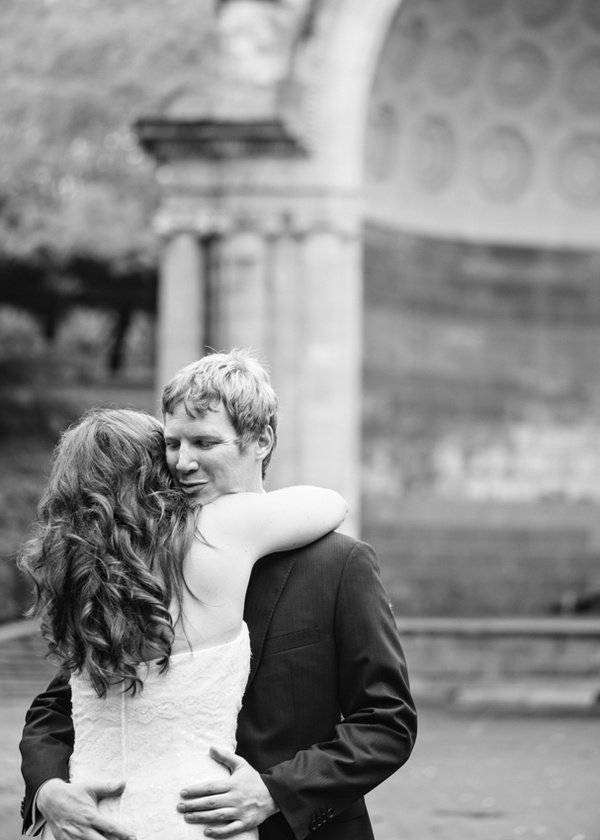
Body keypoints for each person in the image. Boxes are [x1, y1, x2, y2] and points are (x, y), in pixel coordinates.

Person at [20, 348, 417, 840]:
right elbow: (60, 706)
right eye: (172, 443)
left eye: (205, 442)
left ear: (261, 440)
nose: (183, 462)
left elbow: (386, 721)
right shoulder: (135, 568)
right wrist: (47, 790)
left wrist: (277, 792)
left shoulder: (339, 563)